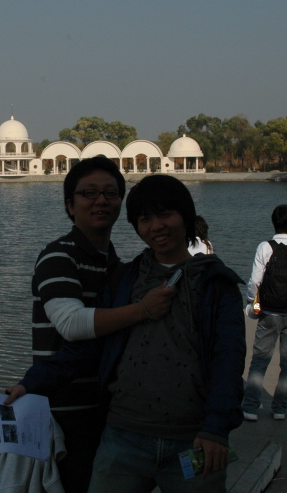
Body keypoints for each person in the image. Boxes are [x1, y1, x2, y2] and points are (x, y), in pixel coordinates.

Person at [9, 175, 246, 492]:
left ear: (186, 217)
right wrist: (29, 384)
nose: (156, 227)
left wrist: (216, 428)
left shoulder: (215, 284)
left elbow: (228, 360)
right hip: (123, 438)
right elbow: (89, 347)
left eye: (165, 215)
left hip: (192, 441)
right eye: (144, 219)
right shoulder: (125, 279)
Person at [26, 158, 175, 493]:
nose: (101, 201)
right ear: (70, 205)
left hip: (109, 411)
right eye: (88, 193)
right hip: (65, 412)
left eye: (110, 193)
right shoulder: (58, 256)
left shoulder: (116, 265)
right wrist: (142, 309)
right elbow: (71, 324)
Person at [242, 205, 287, 421]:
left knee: (259, 361)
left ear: (273, 223)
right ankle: (279, 409)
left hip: (268, 313)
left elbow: (255, 281)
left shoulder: (264, 247)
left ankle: (250, 408)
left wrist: (252, 301)